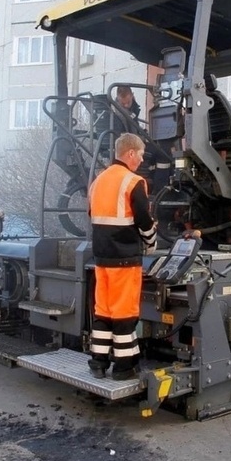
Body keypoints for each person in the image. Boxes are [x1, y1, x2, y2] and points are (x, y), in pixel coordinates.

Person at [88, 133, 157, 380]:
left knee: (103, 312)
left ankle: (98, 363)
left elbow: (93, 215)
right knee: (125, 314)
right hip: (125, 259)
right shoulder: (134, 182)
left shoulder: (97, 181)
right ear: (130, 154)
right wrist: (151, 241)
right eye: (140, 155)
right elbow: (143, 220)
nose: (141, 160)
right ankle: (124, 367)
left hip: (101, 259)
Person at [114, 85, 171, 195]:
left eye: (128, 102)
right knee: (163, 153)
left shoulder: (130, 108)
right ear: (118, 99)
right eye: (123, 103)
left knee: (158, 150)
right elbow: (123, 135)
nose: (126, 105)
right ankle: (160, 190)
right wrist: (142, 138)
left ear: (132, 96)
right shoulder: (117, 113)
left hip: (134, 140)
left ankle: (152, 183)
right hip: (129, 144)